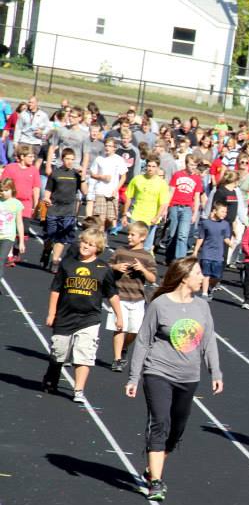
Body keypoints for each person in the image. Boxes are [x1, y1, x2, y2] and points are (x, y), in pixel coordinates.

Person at [125, 256, 223, 502]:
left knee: (176, 429)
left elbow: (209, 340)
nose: (202, 277)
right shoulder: (160, 305)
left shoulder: (202, 307)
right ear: (184, 277)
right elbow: (144, 341)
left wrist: (216, 372)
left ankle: (151, 468)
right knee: (159, 421)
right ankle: (156, 482)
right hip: (158, 371)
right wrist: (134, 377)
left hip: (188, 376)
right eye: (198, 273)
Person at [41, 228, 122, 402]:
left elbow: (112, 295)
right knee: (58, 352)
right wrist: (51, 313)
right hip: (64, 316)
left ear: (98, 248)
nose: (86, 246)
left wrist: (119, 316)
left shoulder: (103, 269)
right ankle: (52, 377)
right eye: (84, 242)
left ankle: (78, 389)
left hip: (89, 318)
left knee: (84, 354)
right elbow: (56, 289)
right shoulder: (67, 264)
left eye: (91, 244)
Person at [106, 221, 157, 372]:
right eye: (128, 234)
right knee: (119, 327)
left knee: (134, 331)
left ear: (143, 237)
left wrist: (142, 269)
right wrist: (115, 267)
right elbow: (106, 266)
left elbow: (153, 279)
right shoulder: (121, 251)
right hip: (119, 296)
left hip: (137, 299)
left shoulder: (147, 257)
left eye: (132, 235)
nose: (128, 237)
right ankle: (117, 359)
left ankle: (123, 348)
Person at [43, 147, 86, 273]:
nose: (70, 162)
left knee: (61, 237)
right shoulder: (55, 173)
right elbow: (48, 190)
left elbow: (85, 191)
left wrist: (82, 177)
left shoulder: (75, 174)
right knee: (50, 236)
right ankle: (46, 250)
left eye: (72, 159)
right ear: (62, 159)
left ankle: (55, 260)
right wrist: (46, 198)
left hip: (68, 210)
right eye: (67, 159)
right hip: (54, 209)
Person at [123, 156, 170, 254]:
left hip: (151, 219)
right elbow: (129, 197)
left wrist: (157, 217)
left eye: (153, 166)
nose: (150, 168)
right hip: (136, 216)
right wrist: (124, 214)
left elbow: (163, 203)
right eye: (149, 166)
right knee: (133, 244)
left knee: (147, 247)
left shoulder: (162, 183)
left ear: (157, 168)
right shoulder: (137, 179)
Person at [193, 201, 233, 299]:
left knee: (216, 276)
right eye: (222, 211)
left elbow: (226, 238)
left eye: (226, 212)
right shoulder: (205, 223)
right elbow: (201, 237)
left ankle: (210, 287)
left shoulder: (225, 224)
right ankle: (204, 294)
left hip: (218, 254)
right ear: (214, 211)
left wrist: (230, 243)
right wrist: (195, 251)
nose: (225, 214)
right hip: (207, 253)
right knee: (206, 274)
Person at [0, 178, 25, 287]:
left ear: (12, 190)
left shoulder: (16, 204)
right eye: (1, 190)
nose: (3, 193)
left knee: (0, 260)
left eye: (6, 190)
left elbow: (19, 223)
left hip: (8, 237)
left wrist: (21, 242)